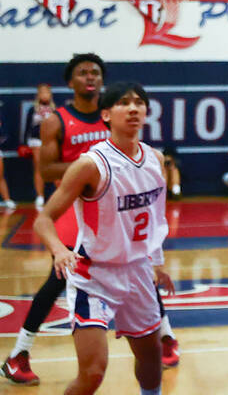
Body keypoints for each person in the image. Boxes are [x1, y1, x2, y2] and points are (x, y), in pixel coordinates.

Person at [3, 54, 179, 385]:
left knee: (149, 351)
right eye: (83, 72)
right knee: (59, 277)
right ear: (107, 114)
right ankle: (20, 351)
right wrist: (84, 173)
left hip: (127, 243)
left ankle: (165, 335)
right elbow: (46, 172)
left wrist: (158, 263)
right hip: (83, 205)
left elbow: (154, 222)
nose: (90, 77)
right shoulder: (60, 123)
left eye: (138, 103)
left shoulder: (153, 157)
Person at [23, 83, 54, 208]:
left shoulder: (55, 109)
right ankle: (40, 196)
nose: (44, 95)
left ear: (50, 95)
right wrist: (24, 144)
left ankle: (53, 195)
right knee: (39, 167)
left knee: (52, 168)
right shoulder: (33, 109)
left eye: (47, 92)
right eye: (42, 93)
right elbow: (27, 127)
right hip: (36, 140)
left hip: (51, 140)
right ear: (38, 95)